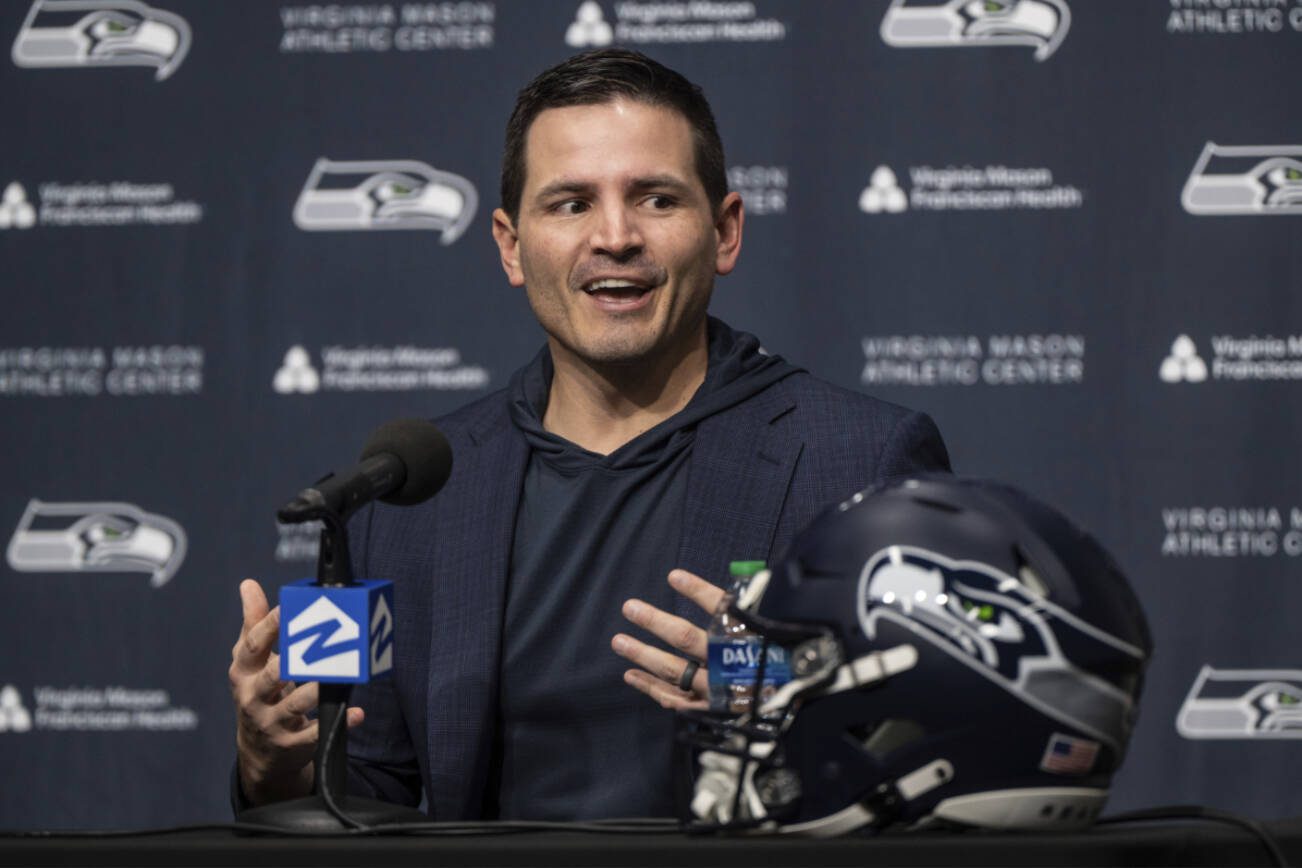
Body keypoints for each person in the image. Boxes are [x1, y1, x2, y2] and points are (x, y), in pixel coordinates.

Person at [228, 48, 950, 821]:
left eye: (656, 200)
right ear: (510, 245)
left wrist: (802, 719)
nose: (615, 236)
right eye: (570, 203)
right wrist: (271, 762)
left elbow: (955, 756)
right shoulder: (398, 499)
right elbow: (354, 800)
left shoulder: (864, 462)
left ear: (726, 230)